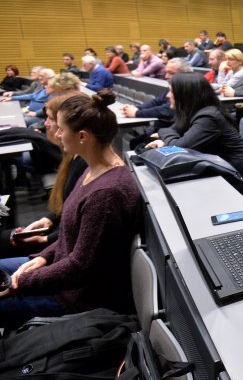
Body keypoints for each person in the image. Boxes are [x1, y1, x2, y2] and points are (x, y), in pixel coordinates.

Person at [0, 90, 141, 329]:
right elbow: (70, 234)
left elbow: (79, 267)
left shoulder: (106, 193)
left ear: (83, 136)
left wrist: (23, 281)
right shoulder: (91, 170)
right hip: (60, 274)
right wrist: (43, 257)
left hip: (75, 298)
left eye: (61, 129)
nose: (56, 134)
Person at [0, 91, 89, 259]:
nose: (46, 124)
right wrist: (48, 219)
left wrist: (46, 239)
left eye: (51, 119)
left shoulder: (84, 164)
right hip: (57, 237)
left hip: (59, 248)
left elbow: (77, 227)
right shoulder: (72, 155)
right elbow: (65, 207)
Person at [146, 73, 243, 191]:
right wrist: (165, 138)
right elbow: (172, 131)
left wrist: (163, 135)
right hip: (220, 174)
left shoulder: (208, 117)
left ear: (185, 95)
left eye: (171, 91)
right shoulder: (194, 112)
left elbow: (179, 147)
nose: (168, 96)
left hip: (240, 181)